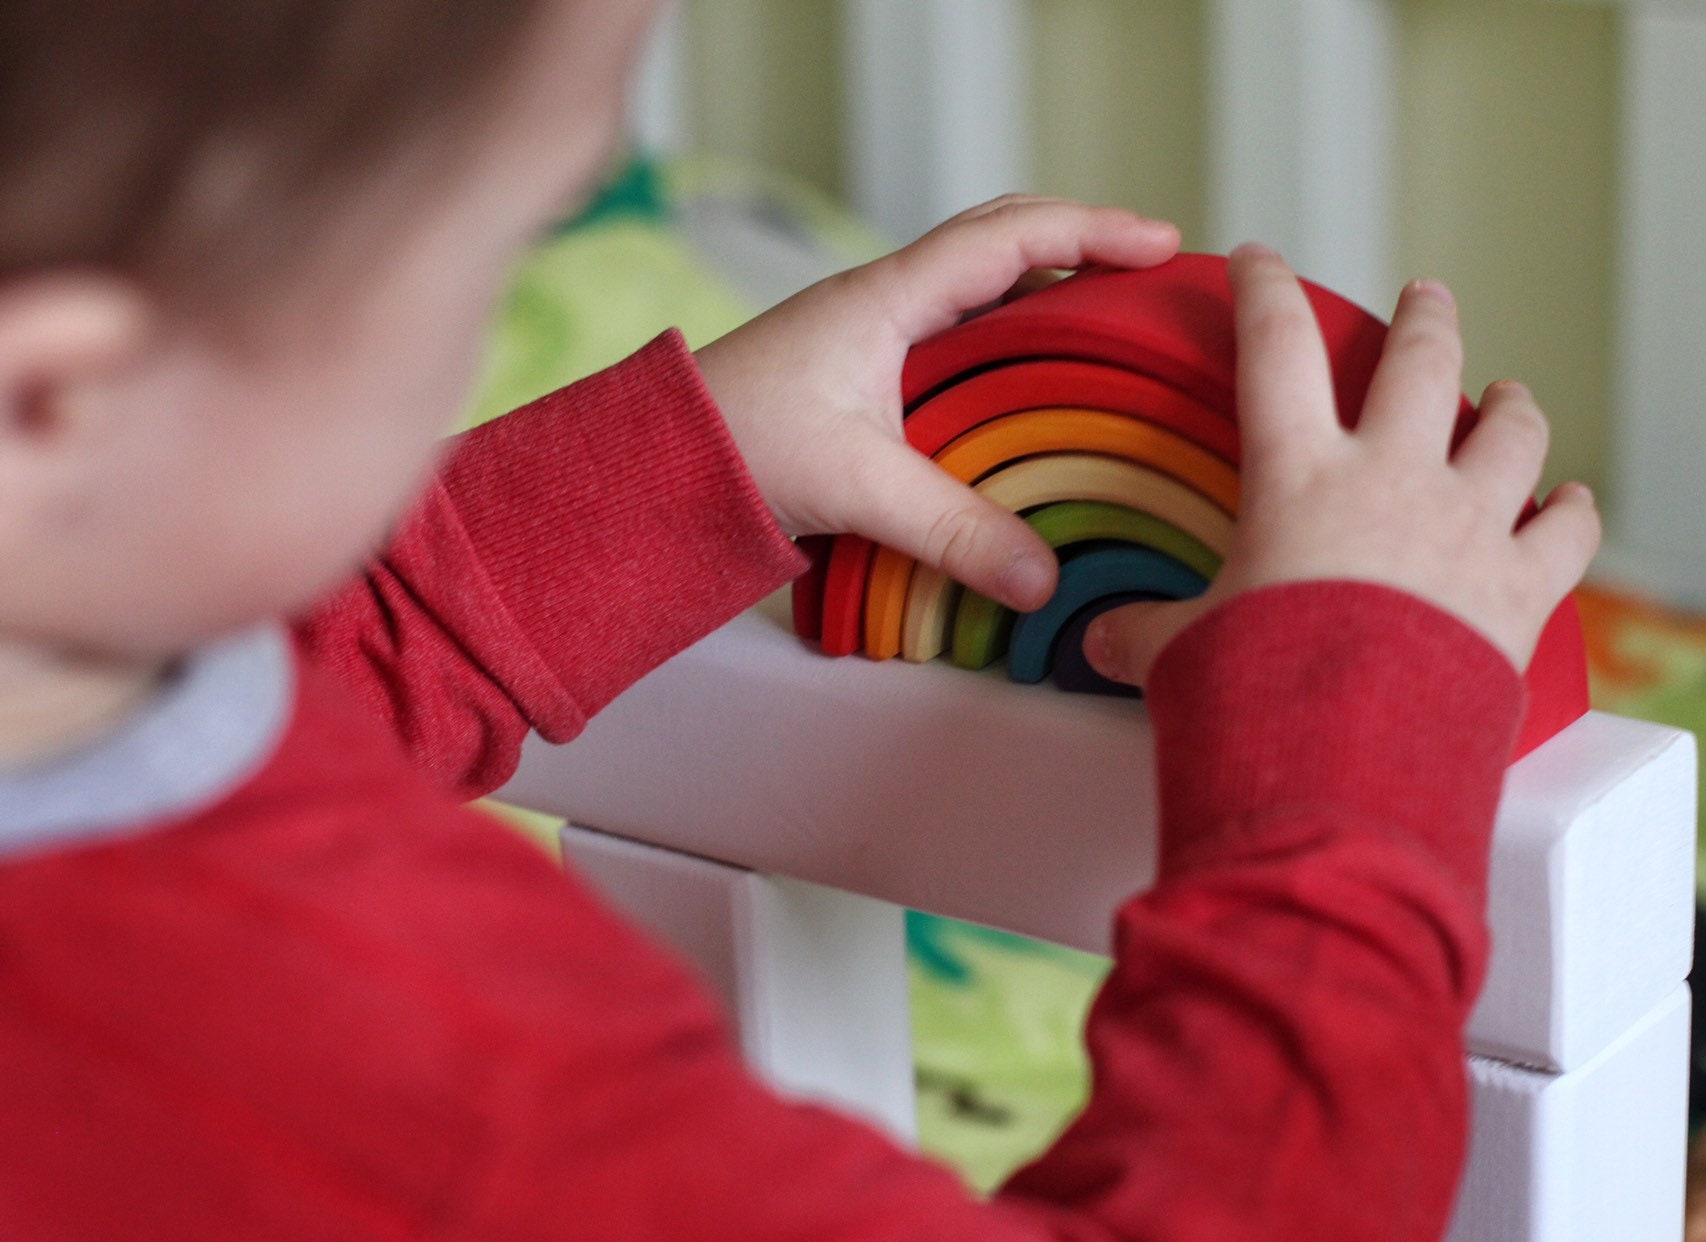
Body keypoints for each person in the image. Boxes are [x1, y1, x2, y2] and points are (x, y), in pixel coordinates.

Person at [0, 1, 1599, 1239]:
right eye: (488, 262)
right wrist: (1348, 781)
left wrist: (664, 478)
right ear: (59, 397)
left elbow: (265, 705)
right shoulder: (459, 1085)